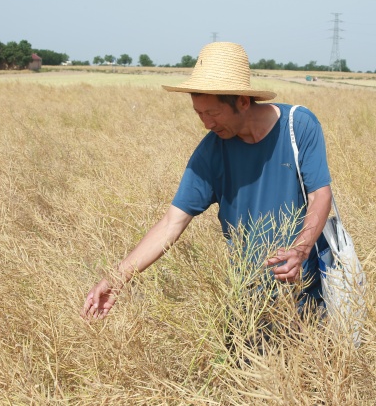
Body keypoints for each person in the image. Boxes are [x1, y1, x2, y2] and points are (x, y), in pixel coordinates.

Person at [82, 41, 333, 324]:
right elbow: (170, 224)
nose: (206, 124)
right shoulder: (210, 153)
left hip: (307, 295)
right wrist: (117, 278)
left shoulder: (298, 126)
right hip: (247, 303)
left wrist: (300, 250)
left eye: (213, 113)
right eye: (199, 113)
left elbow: (320, 195)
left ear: (242, 101)